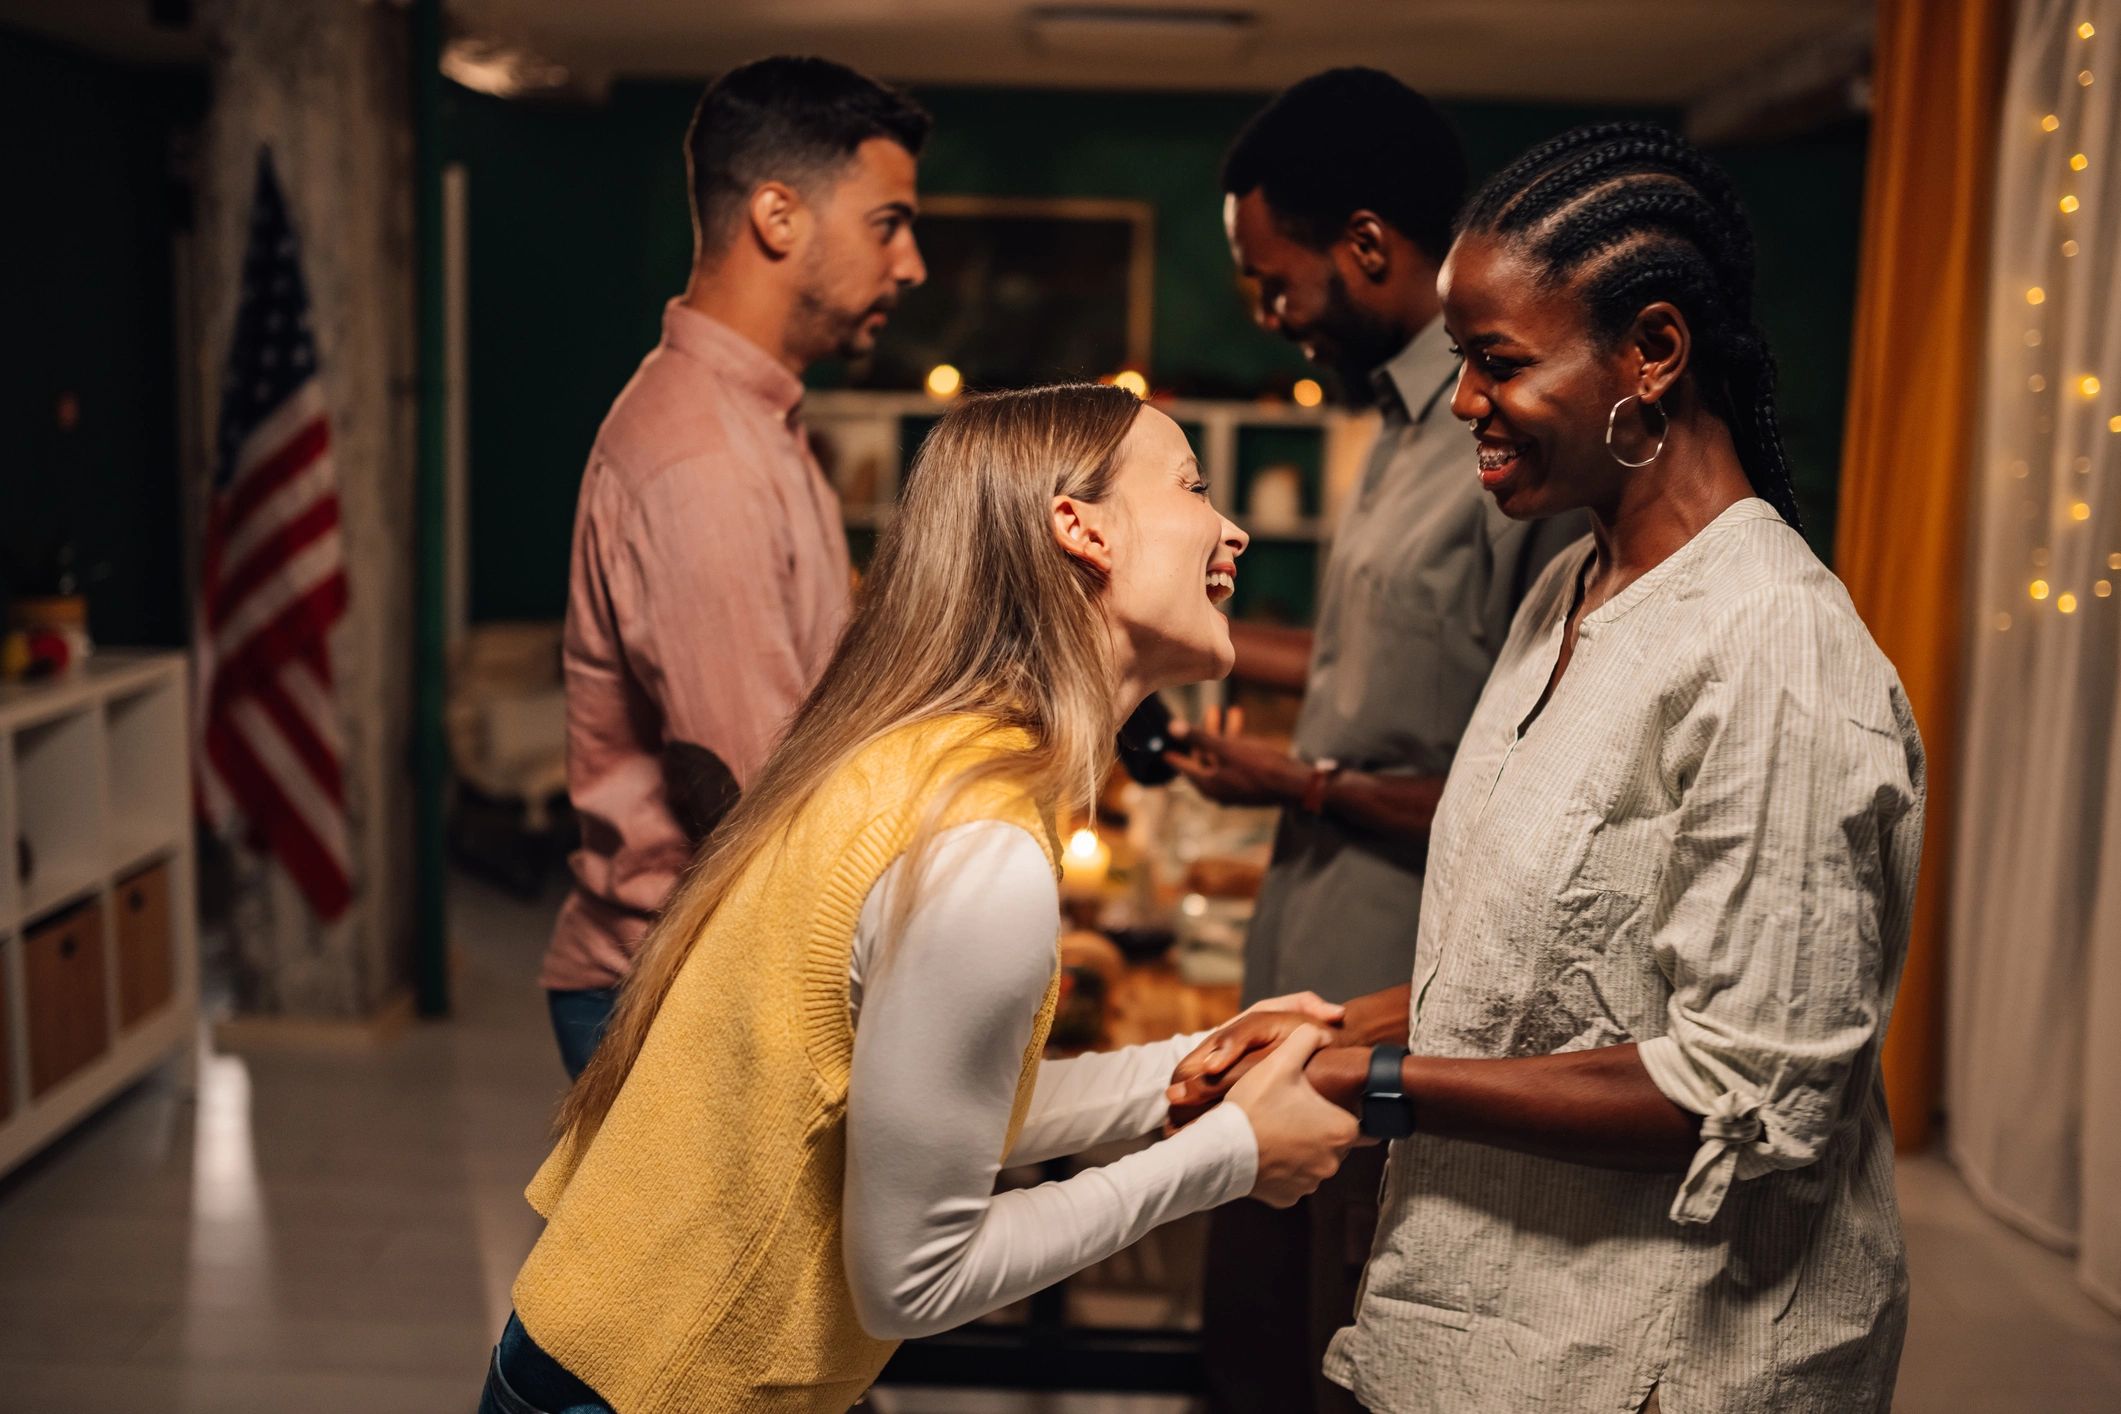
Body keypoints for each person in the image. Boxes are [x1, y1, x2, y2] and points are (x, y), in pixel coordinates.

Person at [1169, 123, 1924, 1414]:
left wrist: (1377, 1082)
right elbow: (1548, 964)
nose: (1462, 400)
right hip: (1486, 1322)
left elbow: (1736, 1089)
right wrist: (1325, 1025)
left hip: (1661, 1353)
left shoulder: (1775, 650)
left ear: (1654, 354)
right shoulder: (1571, 586)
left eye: (1497, 362)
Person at [478, 385, 1362, 1414]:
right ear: (1081, 530)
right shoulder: (980, 852)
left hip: (599, 1356)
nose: (1233, 528)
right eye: (1194, 486)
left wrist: (1188, 1072)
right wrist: (1231, 1154)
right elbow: (912, 1278)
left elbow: (921, 1113)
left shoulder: (925, 757)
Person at [1169, 69, 1583, 1414]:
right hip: (1300, 962)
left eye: (1273, 283)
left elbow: (1530, 785)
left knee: (1336, 1356)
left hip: (1399, 1002)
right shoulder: (1400, 430)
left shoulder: (1503, 449)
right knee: (1248, 1341)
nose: (1270, 318)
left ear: (1365, 245)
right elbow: (1370, 664)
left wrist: (1296, 777)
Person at [541, 57, 931, 1077]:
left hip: (717, 969)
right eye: (888, 223)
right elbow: (759, 799)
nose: (912, 263)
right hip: (676, 989)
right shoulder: (700, 459)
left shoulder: (760, 421)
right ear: (778, 215)